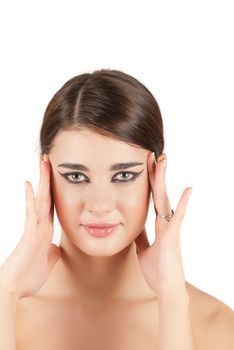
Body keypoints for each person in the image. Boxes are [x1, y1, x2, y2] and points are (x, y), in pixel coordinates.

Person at [0, 69, 233, 349]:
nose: (99, 205)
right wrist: (5, 290)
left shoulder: (213, 323)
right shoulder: (8, 310)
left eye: (123, 176)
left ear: (156, 173)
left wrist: (171, 297)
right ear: (46, 172)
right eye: (76, 176)